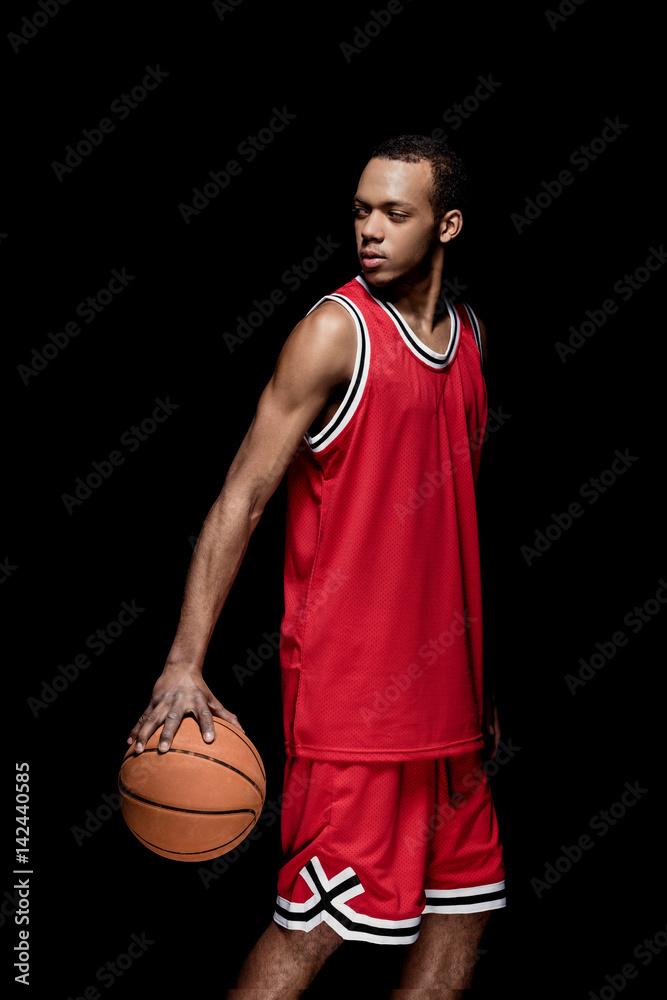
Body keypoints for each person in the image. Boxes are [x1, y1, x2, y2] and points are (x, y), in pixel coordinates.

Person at [127, 134, 505, 999]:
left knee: (462, 915)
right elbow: (240, 500)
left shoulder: (470, 340)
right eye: (361, 211)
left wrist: (479, 680)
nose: (369, 229)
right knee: (315, 931)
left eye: (394, 214)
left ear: (446, 225)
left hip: (450, 712)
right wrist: (183, 660)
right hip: (356, 711)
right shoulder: (335, 333)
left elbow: (450, 533)